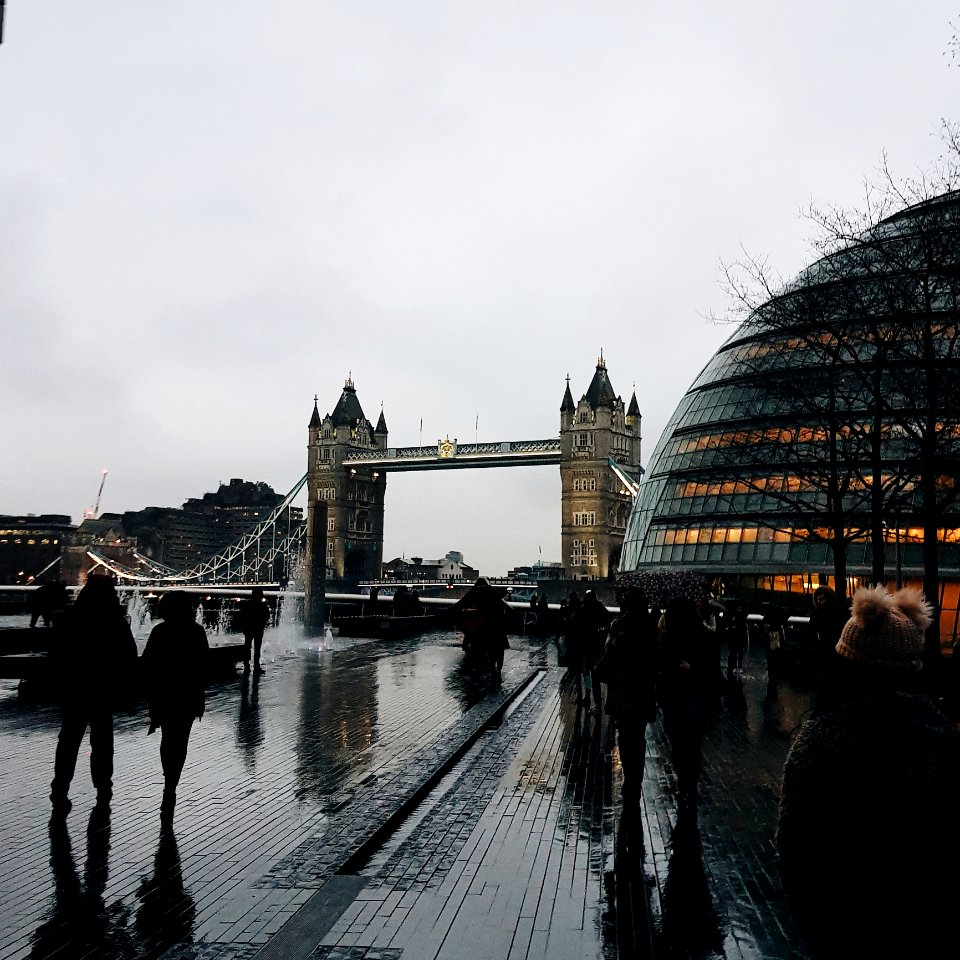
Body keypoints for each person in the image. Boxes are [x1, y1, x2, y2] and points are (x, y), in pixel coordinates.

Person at [776, 586, 960, 957]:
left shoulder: (818, 742)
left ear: (846, 665)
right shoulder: (944, 741)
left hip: (841, 927)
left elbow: (793, 848)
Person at [49, 574, 138, 815]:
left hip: (74, 688)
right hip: (102, 690)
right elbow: (129, 659)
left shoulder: (68, 619)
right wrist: (130, 694)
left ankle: (60, 788)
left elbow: (56, 656)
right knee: (102, 742)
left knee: (68, 740)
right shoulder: (116, 622)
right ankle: (103, 788)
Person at [142, 591, 210, 823]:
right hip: (188, 695)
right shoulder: (197, 631)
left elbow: (148, 663)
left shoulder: (159, 632)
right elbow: (204, 664)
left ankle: (168, 778)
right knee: (181, 740)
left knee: (167, 738)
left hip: (164, 694)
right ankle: (171, 783)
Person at [595, 585, 659, 801]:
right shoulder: (651, 628)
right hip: (643, 692)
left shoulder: (618, 626)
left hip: (622, 691)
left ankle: (628, 777)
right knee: (638, 738)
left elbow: (608, 655)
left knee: (624, 735)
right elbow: (656, 661)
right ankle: (635, 780)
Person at [658, 596, 717, 811]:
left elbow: (662, 670)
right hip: (695, 701)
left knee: (680, 745)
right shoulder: (706, 638)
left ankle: (686, 783)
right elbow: (713, 673)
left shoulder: (669, 639)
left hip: (677, 701)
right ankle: (689, 784)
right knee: (692, 745)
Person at [452, 578, 511, 677]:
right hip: (498, 631)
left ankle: (486, 671)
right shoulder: (497, 600)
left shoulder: (475, 599)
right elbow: (510, 610)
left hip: (482, 631)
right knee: (499, 653)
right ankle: (497, 672)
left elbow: (455, 608)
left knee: (487, 652)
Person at [238, 587, 269, 674]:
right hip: (258, 628)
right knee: (257, 648)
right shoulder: (262, 605)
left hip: (249, 628)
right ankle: (256, 666)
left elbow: (242, 616)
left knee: (247, 646)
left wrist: (243, 627)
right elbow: (267, 616)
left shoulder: (247, 604)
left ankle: (246, 666)